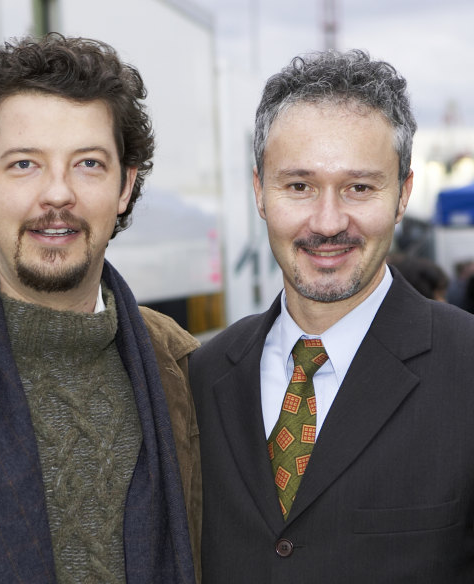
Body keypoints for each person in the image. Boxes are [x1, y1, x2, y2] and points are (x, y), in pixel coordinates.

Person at [0, 34, 200, 584]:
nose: (57, 194)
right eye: (25, 164)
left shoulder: (187, 372)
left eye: (87, 164)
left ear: (125, 187)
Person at [190, 49, 474, 583]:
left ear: (402, 194)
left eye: (359, 187)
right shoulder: (202, 376)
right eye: (298, 186)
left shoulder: (468, 368)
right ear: (259, 192)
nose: (327, 222)